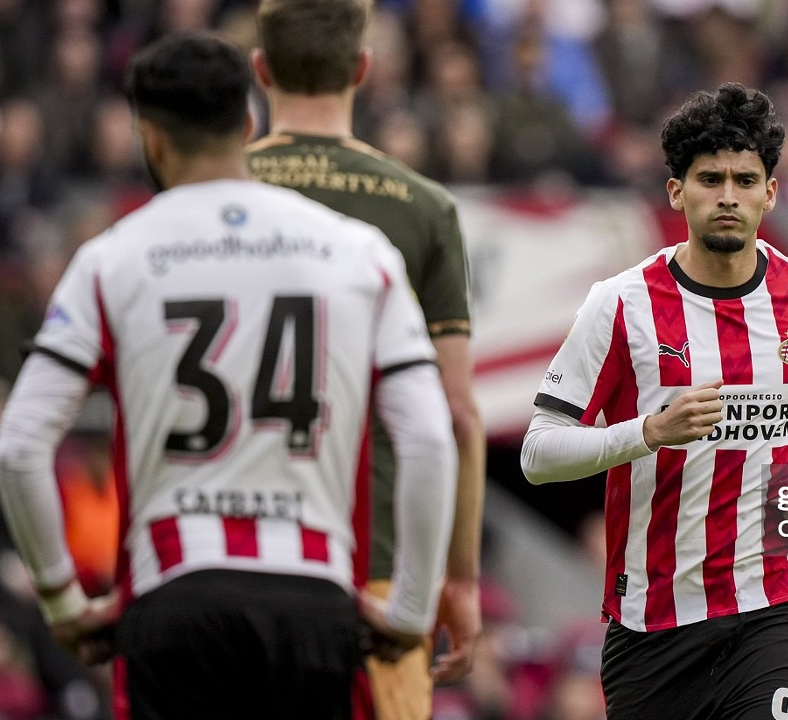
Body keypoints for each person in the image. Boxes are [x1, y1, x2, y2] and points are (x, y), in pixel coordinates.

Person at [0, 33, 457, 719]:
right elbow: (428, 440)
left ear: (149, 137)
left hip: (174, 595)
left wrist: (64, 603)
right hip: (313, 599)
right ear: (248, 122)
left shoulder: (112, 256)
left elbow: (19, 444)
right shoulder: (359, 253)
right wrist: (412, 609)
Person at [520, 83, 788, 720]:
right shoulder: (620, 305)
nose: (729, 196)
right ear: (676, 192)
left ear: (770, 193)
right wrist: (647, 432)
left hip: (776, 605)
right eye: (710, 178)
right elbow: (537, 452)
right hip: (654, 625)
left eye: (746, 180)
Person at [246, 2, 485, 716]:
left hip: (228, 552)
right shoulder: (424, 207)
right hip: (373, 567)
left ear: (261, 70)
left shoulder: (206, 196)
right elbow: (459, 417)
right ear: (363, 69)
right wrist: (460, 579)